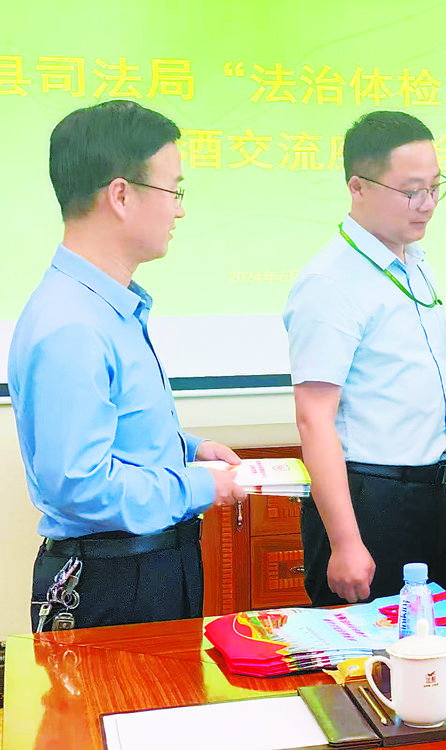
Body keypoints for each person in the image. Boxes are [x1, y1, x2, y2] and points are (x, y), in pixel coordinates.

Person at [9, 100, 247, 632]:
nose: (179, 211)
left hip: (146, 568)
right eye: (174, 191)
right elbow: (81, 484)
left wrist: (187, 449)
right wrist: (199, 485)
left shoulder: (105, 305)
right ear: (120, 195)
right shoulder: (72, 324)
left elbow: (114, 430)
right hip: (112, 582)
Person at [283, 111, 446, 605]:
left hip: (423, 493)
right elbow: (313, 418)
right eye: (412, 191)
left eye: (435, 187)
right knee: (363, 648)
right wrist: (345, 542)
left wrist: (441, 486)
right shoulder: (330, 282)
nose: (428, 204)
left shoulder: (414, 263)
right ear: (358, 186)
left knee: (428, 640)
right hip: (367, 500)